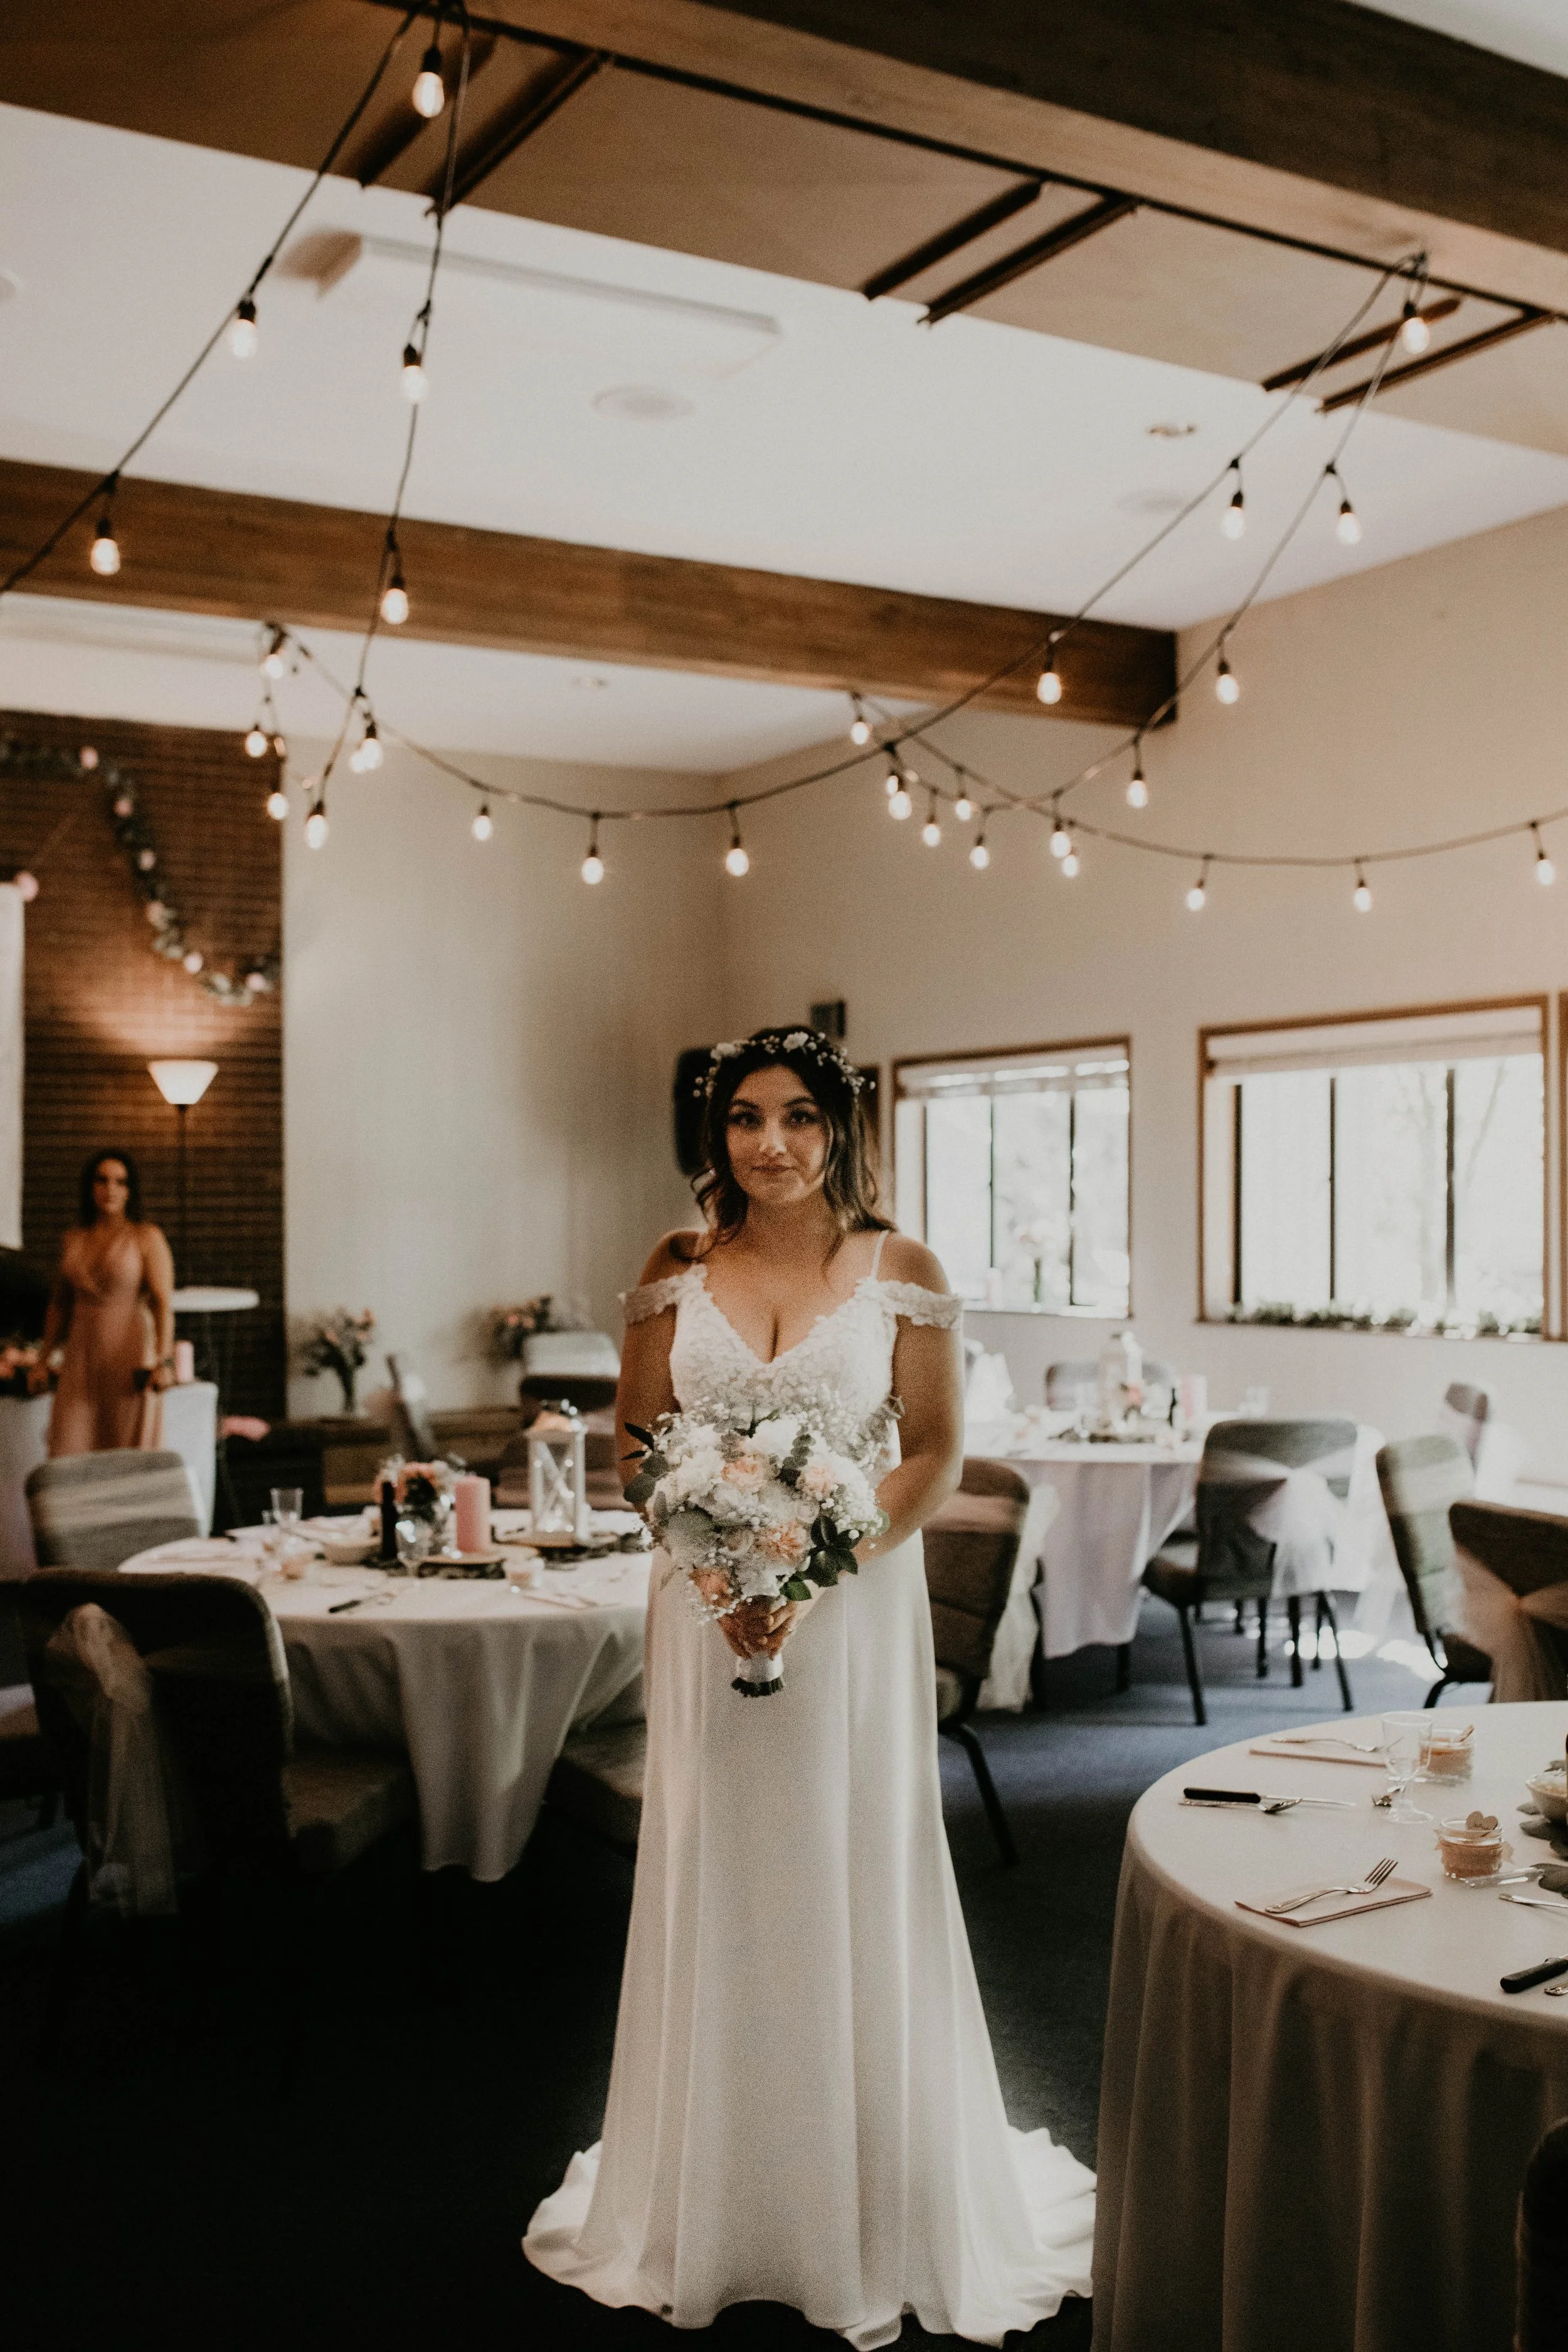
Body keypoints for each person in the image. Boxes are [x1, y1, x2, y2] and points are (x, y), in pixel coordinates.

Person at [524, 1029, 1094, 2347]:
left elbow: (937, 1451)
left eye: (795, 1117)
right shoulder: (673, 1269)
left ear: (841, 1129)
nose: (767, 1143)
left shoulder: (904, 1270)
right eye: (740, 1119)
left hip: (850, 1609)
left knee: (852, 1866)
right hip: (701, 1606)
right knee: (717, 1870)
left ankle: (872, 2199)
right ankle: (710, 2191)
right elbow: (632, 1441)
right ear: (711, 1134)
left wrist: (816, 1556)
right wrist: (714, 1554)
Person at [31, 1149, 176, 1454]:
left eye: (120, 1182)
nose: (110, 1189)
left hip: (129, 1354)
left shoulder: (146, 1237)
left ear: (130, 1190)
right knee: (68, 1449)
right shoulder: (73, 1238)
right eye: (102, 1180)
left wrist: (162, 1361)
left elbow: (162, 1303)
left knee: (124, 1452)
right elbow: (59, 1304)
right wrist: (42, 1361)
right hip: (81, 1357)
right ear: (90, 1186)